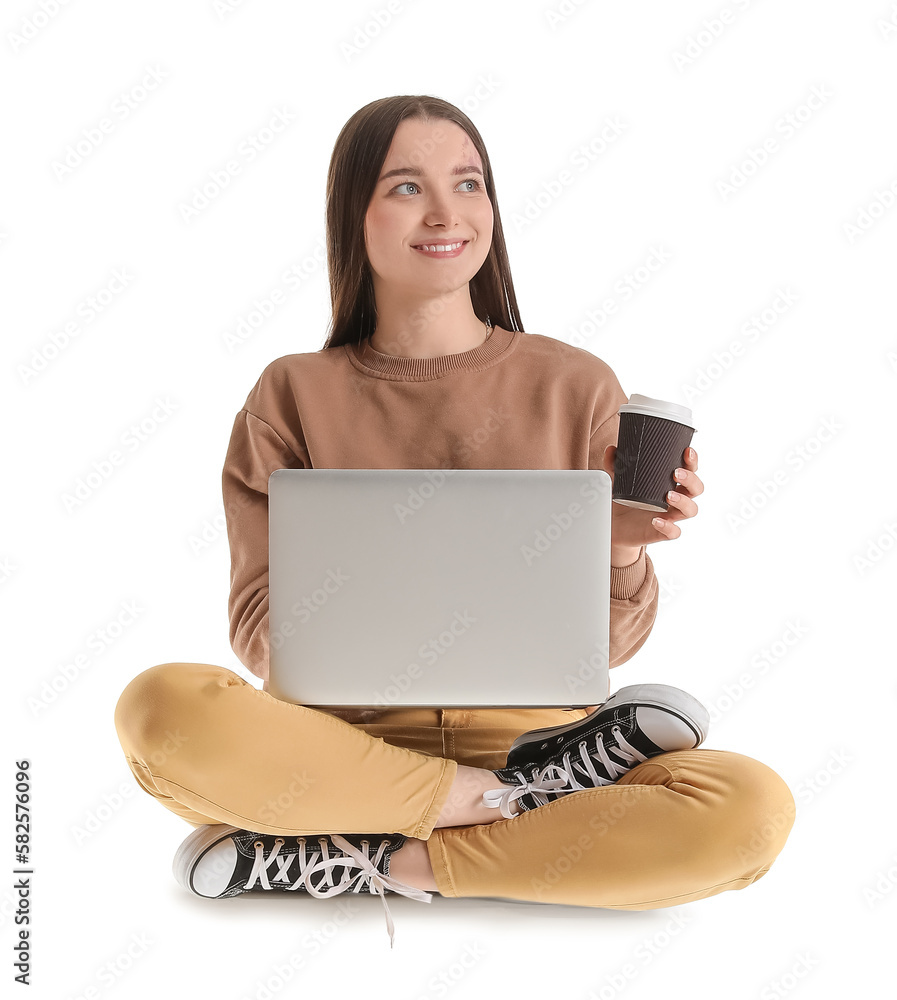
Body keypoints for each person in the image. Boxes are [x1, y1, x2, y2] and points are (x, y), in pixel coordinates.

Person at [113, 95, 795, 949]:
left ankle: (381, 860)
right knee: (162, 708)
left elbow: (613, 646)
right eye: (406, 186)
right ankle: (487, 813)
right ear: (352, 215)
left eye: (468, 183)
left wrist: (618, 549)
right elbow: (256, 633)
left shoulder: (576, 384)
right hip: (334, 749)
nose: (446, 213)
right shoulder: (290, 392)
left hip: (546, 743)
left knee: (748, 809)